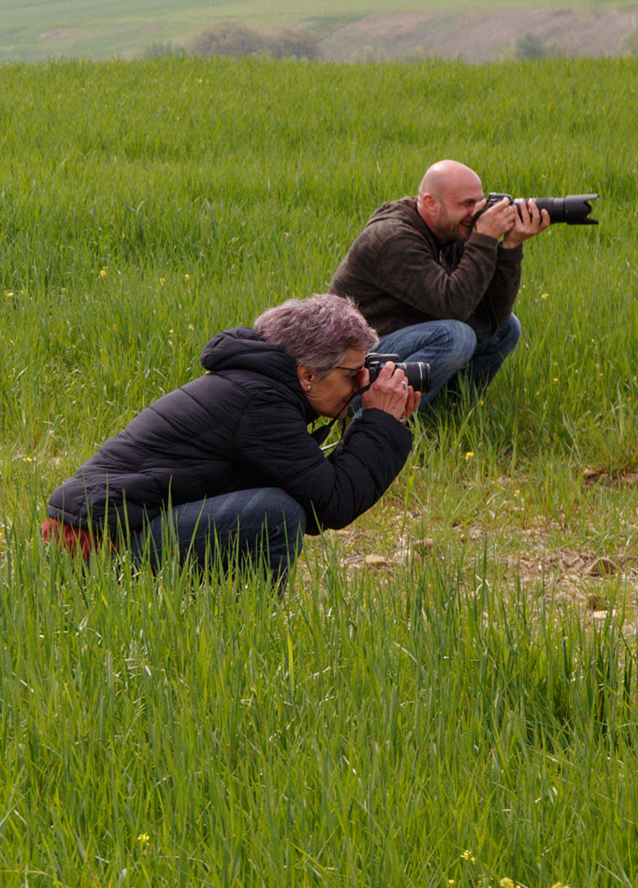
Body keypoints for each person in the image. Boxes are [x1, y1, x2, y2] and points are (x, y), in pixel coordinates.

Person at [40, 294, 417, 584]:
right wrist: (379, 421)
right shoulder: (258, 402)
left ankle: (223, 614)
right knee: (276, 512)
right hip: (94, 550)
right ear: (307, 375)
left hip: (105, 532)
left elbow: (319, 489)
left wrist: (378, 422)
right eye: (353, 375)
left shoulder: (256, 387)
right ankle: (249, 624)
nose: (361, 384)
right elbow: (331, 504)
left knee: (275, 504)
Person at [328, 159, 550, 411]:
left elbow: (493, 316)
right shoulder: (393, 238)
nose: (476, 212)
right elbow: (452, 307)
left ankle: (448, 411)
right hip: (350, 363)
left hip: (395, 337)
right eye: (466, 204)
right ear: (430, 203)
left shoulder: (450, 229)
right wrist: (485, 238)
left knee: (507, 327)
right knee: (456, 336)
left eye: (479, 202)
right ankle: (379, 417)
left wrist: (511, 246)